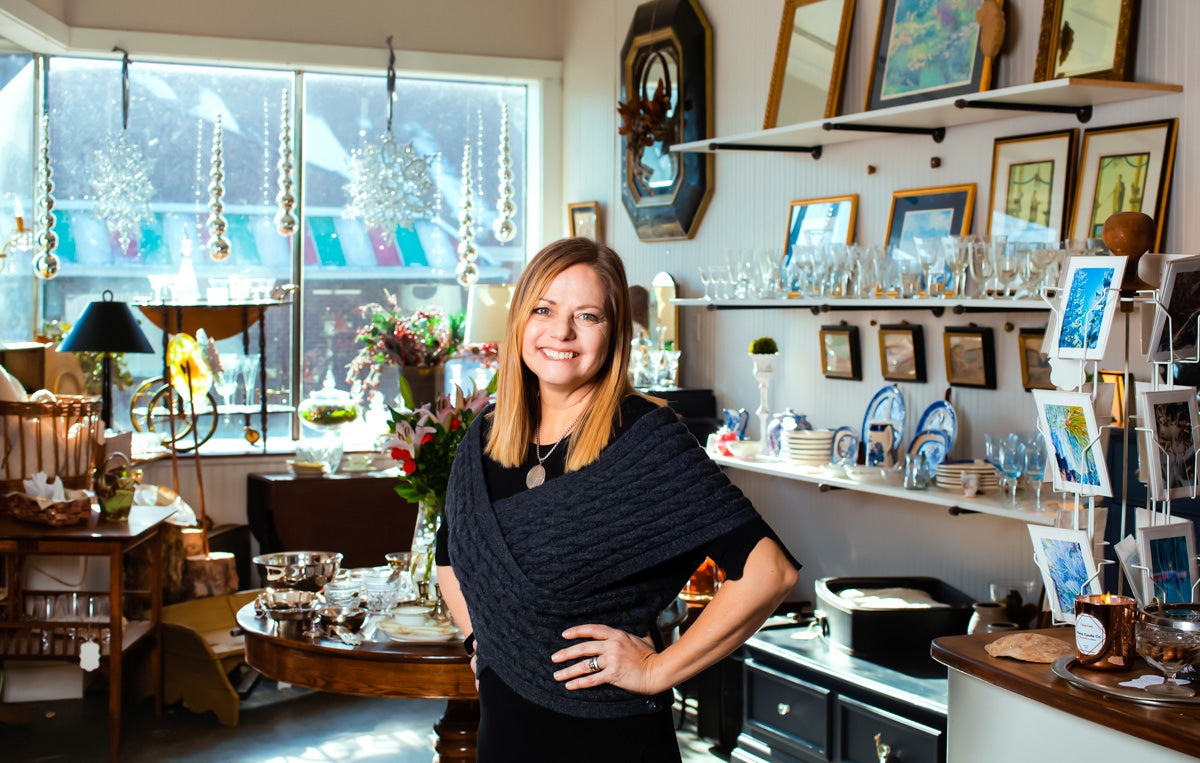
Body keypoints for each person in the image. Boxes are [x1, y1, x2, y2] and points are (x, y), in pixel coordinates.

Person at [436, 237, 800, 762]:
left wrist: (657, 669)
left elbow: (771, 572)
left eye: (587, 316)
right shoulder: (487, 434)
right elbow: (452, 554)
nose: (561, 332)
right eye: (544, 309)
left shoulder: (647, 439)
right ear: (519, 320)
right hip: (504, 738)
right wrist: (484, 642)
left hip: (607, 741)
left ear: (615, 334)